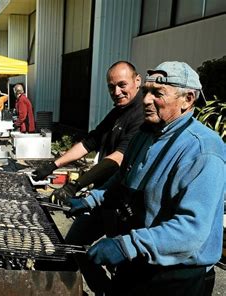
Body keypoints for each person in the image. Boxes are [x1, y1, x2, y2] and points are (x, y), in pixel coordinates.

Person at [65, 61, 225, 295]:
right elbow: (123, 178)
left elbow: (191, 231)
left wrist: (127, 245)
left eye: (157, 93)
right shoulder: (146, 134)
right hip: (140, 262)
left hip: (177, 276)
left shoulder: (203, 150)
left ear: (188, 99)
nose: (146, 100)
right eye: (146, 91)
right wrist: (93, 199)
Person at [32, 60, 144, 294]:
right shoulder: (117, 112)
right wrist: (53, 164)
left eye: (122, 85)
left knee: (117, 261)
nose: (116, 92)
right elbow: (90, 142)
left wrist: (76, 185)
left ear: (137, 81)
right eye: (111, 87)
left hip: (122, 204)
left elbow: (118, 158)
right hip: (100, 198)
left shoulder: (142, 114)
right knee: (72, 247)